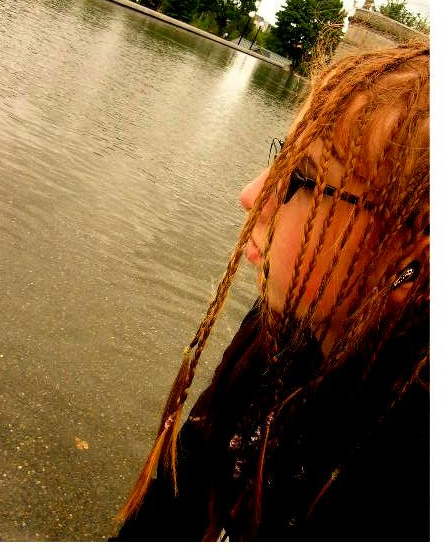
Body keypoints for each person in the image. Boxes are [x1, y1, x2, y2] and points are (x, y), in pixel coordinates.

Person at [111, 41, 429, 541]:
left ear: (410, 254)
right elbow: (177, 499)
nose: (251, 194)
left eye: (303, 178)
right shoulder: (275, 335)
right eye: (282, 158)